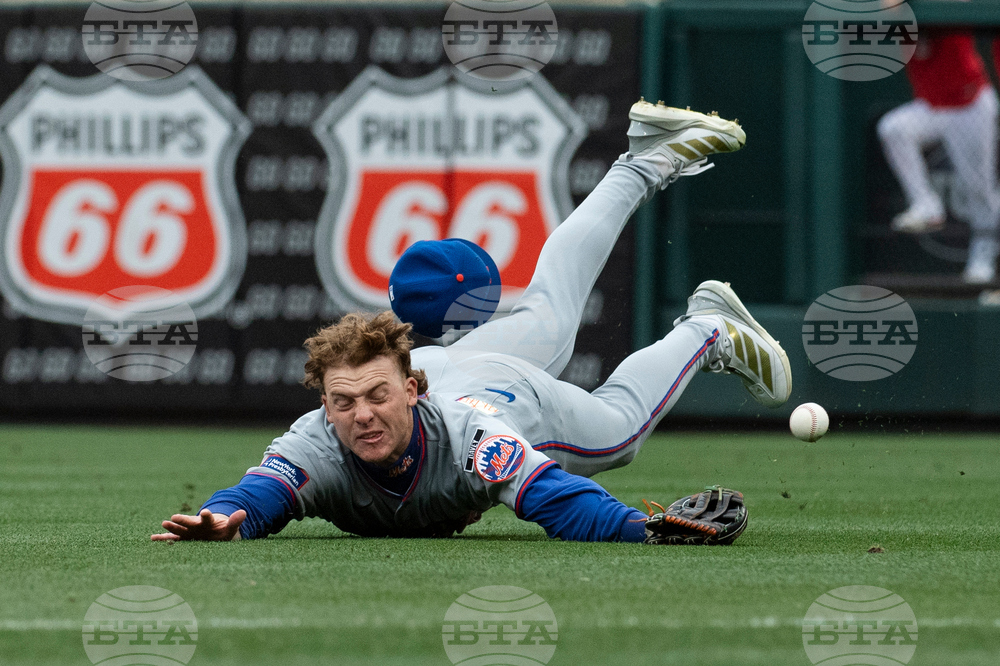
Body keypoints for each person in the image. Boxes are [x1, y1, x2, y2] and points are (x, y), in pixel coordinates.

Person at [151, 100, 791, 545]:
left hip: (504, 391)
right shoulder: (316, 440)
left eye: (377, 395)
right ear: (323, 404)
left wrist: (637, 528)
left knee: (618, 435)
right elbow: (260, 490)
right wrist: (222, 515)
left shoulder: (471, 438)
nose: (362, 415)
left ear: (410, 390)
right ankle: (645, 160)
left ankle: (707, 329)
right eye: (343, 403)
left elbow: (551, 498)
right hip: (455, 365)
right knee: (550, 307)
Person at [877, 30, 1000, 284]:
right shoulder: (902, 16)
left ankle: (983, 258)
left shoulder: (943, 7)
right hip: (933, 106)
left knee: (978, 189)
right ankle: (926, 204)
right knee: (894, 129)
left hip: (969, 105)